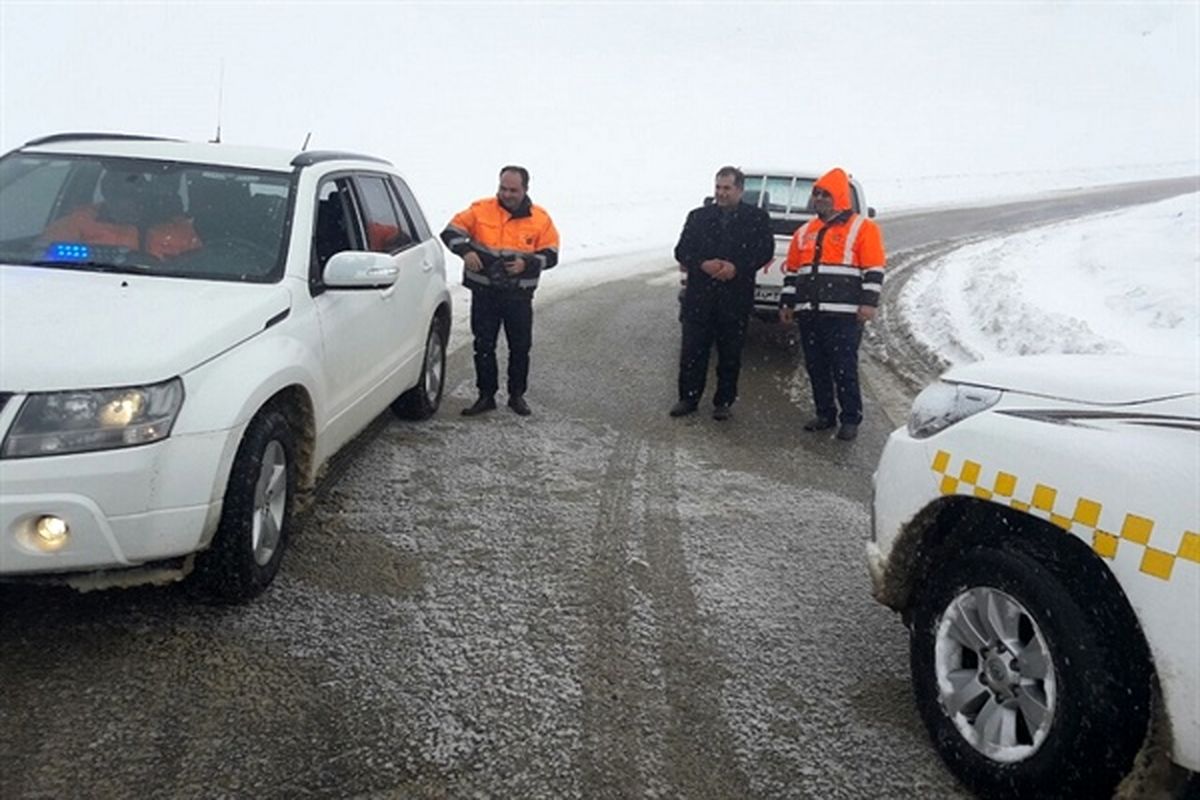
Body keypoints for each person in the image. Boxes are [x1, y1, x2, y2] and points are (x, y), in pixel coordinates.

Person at [441, 166, 560, 417]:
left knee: (520, 347)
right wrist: (466, 251)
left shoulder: (541, 219)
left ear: (525, 189)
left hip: (518, 296)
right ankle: (486, 396)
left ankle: (517, 396)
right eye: (503, 188)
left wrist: (526, 264)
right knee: (483, 346)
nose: (506, 194)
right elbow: (450, 232)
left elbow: (552, 255)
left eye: (513, 190)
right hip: (485, 294)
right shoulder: (480, 210)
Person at [779, 167, 886, 441]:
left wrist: (868, 304)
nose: (819, 199)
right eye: (816, 194)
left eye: (825, 194)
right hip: (810, 313)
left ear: (838, 197)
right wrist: (787, 303)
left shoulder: (864, 228)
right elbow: (793, 272)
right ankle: (824, 414)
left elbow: (874, 269)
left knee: (844, 367)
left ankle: (850, 418)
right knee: (816, 367)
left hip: (844, 315)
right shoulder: (804, 231)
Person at [671, 166, 774, 420]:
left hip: (734, 298)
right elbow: (682, 250)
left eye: (727, 188)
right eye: (718, 187)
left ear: (740, 190)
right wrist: (702, 263)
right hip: (699, 298)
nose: (721, 193)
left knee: (730, 354)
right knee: (693, 352)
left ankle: (723, 401)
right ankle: (688, 398)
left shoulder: (757, 218)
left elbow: (764, 252)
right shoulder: (698, 217)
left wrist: (737, 267)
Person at [40, 169, 200, 260]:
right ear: (107, 195)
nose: (130, 202)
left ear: (146, 195)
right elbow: (39, 256)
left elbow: (196, 265)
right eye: (121, 195)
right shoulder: (79, 223)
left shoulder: (179, 231)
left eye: (136, 195)